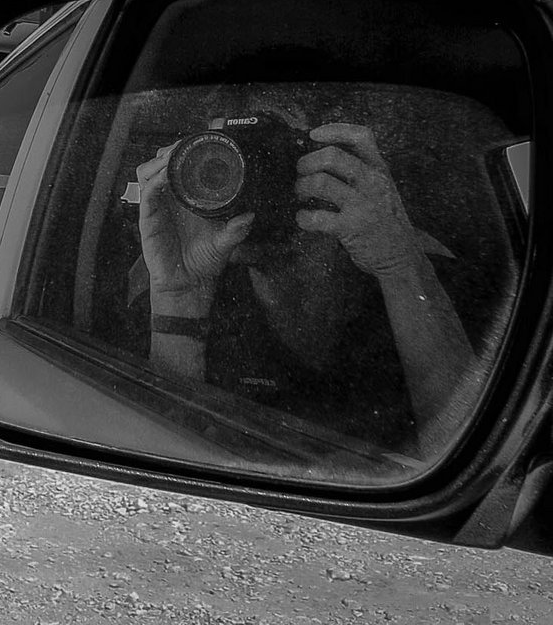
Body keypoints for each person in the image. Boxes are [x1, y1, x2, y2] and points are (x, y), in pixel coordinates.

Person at [133, 86, 480, 457]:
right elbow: (163, 472)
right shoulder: (183, 289)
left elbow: (467, 463)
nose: (238, 171)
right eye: (220, 151)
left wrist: (401, 268)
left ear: (343, 163)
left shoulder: (431, 287)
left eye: (267, 146)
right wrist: (179, 296)